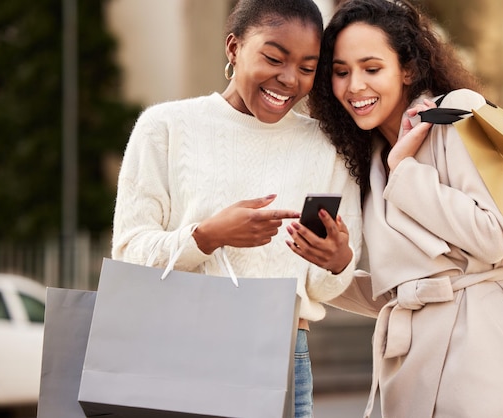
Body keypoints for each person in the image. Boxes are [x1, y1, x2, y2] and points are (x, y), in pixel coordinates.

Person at [304, 0, 503, 417]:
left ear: (408, 69)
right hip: (411, 369)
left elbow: (492, 238)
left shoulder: (453, 115)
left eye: (371, 68)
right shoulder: (371, 159)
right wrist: (337, 267)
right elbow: (401, 294)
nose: (355, 86)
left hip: (488, 351)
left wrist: (406, 171)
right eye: (341, 72)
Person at [111, 0, 362, 416]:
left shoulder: (328, 147)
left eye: (306, 67)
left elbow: (322, 287)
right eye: (273, 58)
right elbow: (128, 253)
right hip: (178, 351)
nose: (288, 79)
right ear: (233, 47)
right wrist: (207, 236)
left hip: (281, 354)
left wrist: (338, 261)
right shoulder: (165, 127)